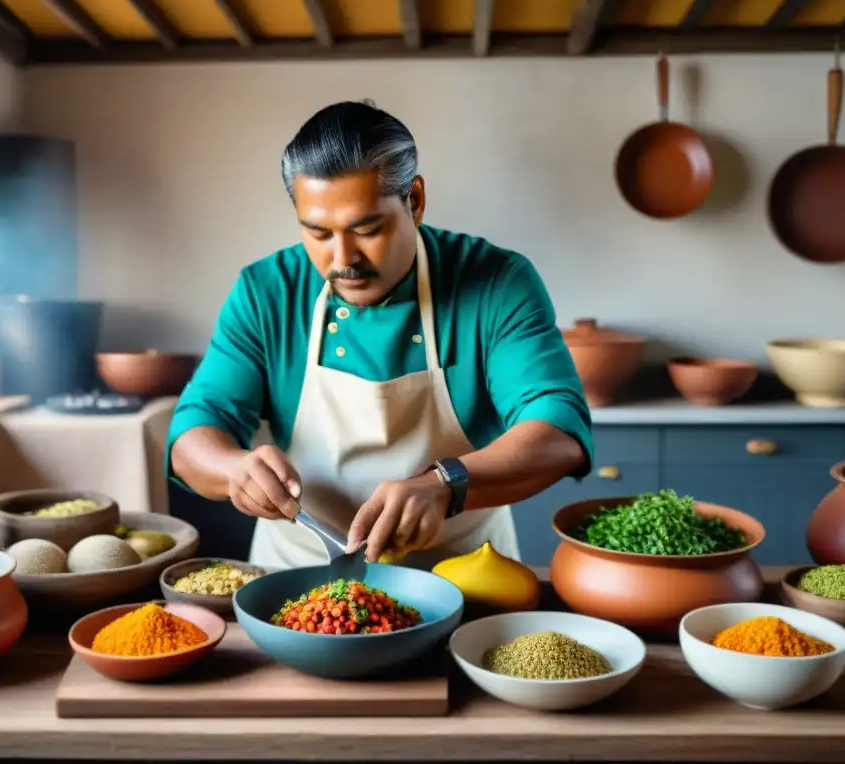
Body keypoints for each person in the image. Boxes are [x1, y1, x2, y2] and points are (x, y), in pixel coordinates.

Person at [166, 100, 594, 571]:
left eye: (367, 229)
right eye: (318, 233)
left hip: (465, 580)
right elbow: (194, 430)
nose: (342, 258)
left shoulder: (496, 281)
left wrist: (447, 483)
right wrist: (233, 470)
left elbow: (559, 429)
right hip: (296, 580)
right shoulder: (267, 291)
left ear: (414, 200)